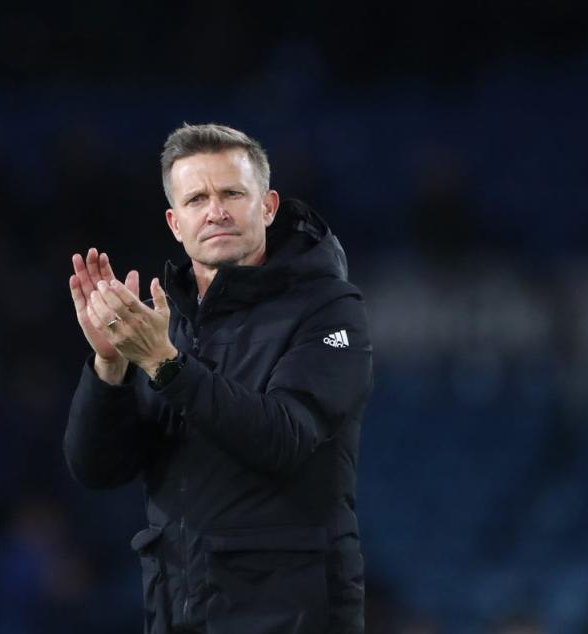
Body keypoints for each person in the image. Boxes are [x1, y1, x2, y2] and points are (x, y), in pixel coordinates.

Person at [63, 123, 373, 633]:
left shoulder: (329, 310)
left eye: (232, 193)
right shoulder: (169, 323)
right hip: (179, 610)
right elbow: (97, 469)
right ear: (175, 222)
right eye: (197, 199)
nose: (216, 211)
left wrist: (165, 364)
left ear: (268, 207)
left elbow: (284, 436)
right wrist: (110, 367)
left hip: (291, 617)